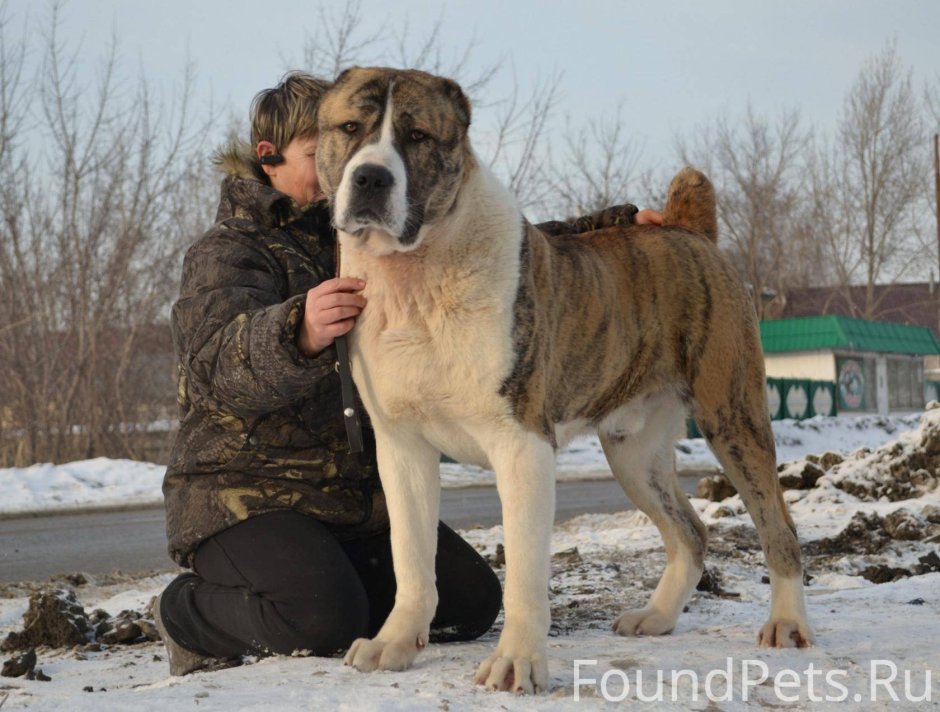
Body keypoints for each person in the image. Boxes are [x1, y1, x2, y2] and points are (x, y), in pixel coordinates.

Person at [154, 71, 663, 676]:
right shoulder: (230, 249)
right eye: (330, 149)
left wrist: (615, 224)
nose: (355, 165)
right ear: (269, 159)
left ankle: (334, 590)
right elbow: (211, 368)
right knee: (321, 618)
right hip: (245, 500)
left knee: (469, 605)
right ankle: (184, 614)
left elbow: (497, 246)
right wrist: (298, 331)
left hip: (347, 499)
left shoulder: (363, 228)